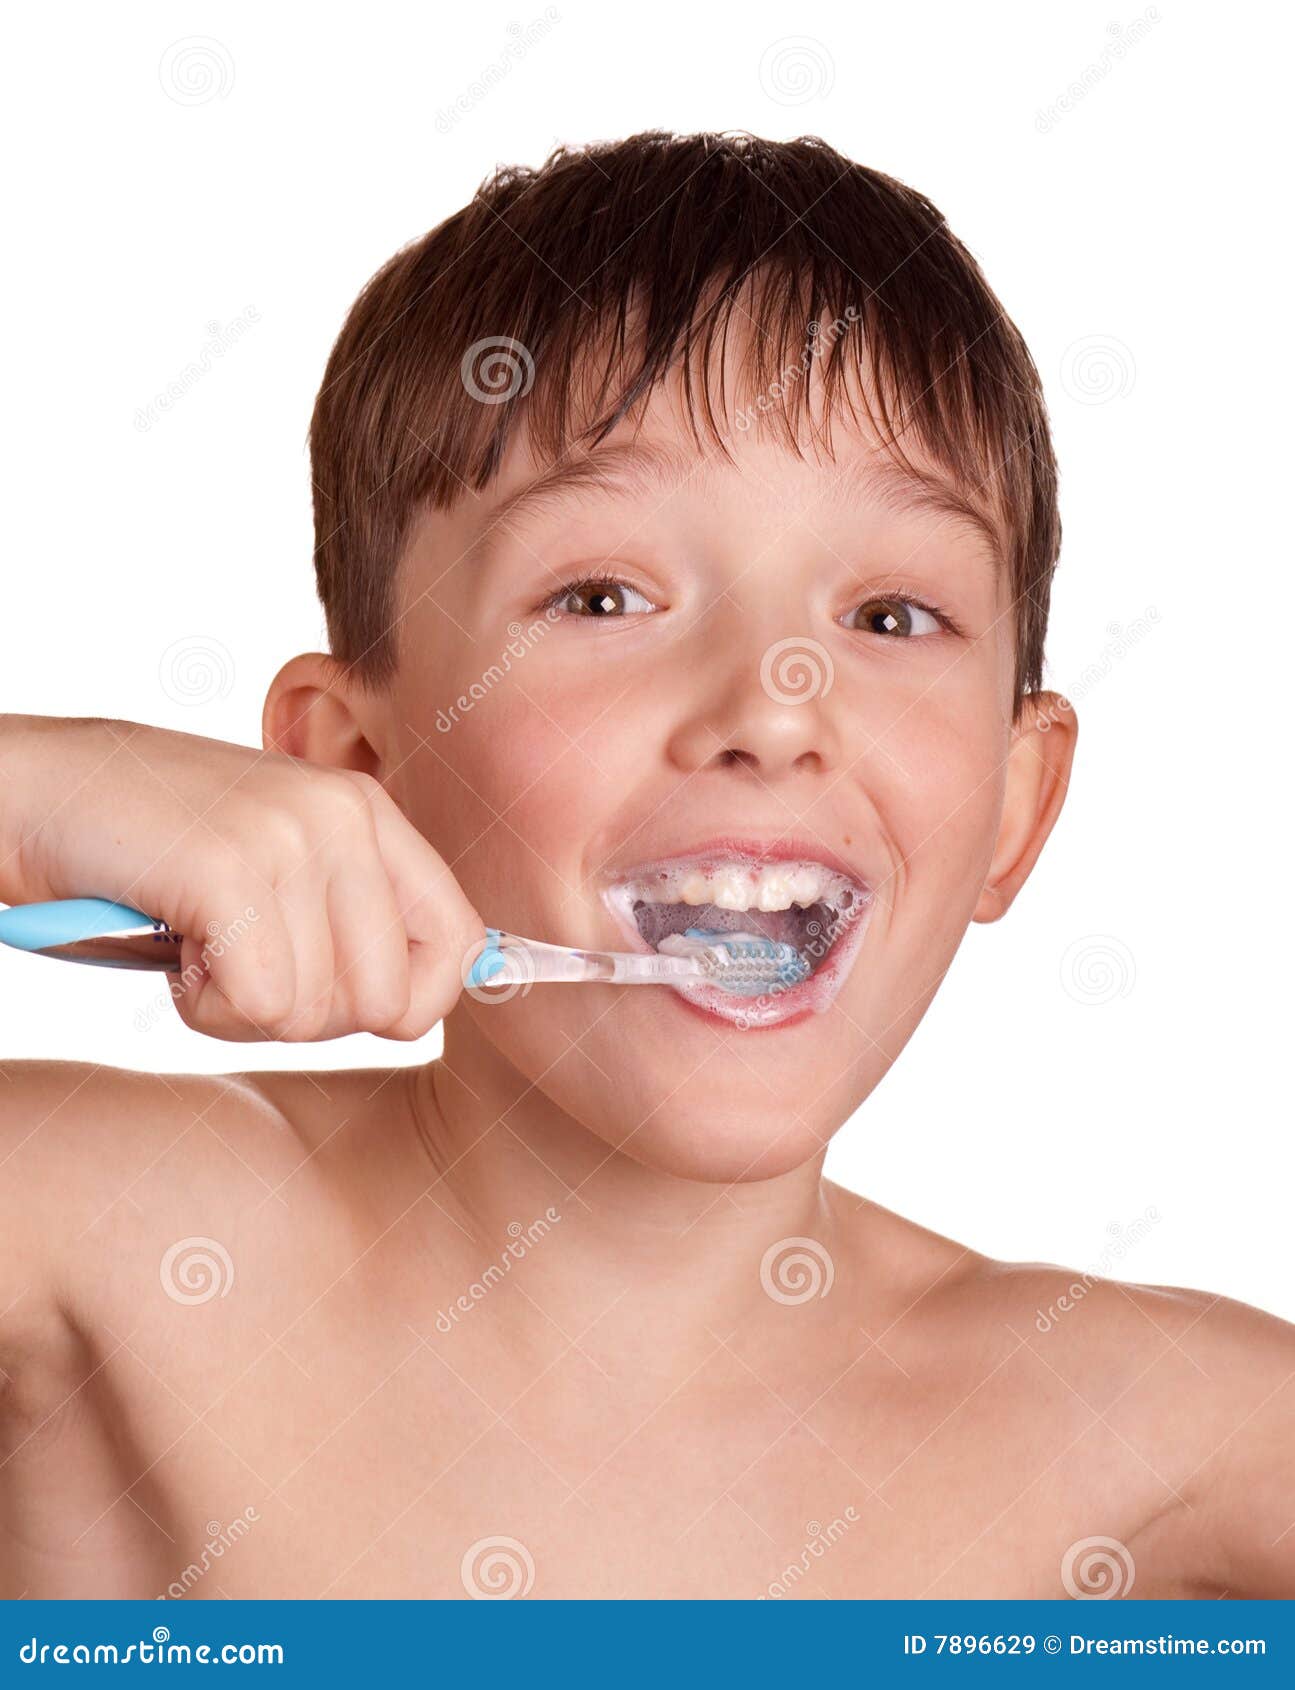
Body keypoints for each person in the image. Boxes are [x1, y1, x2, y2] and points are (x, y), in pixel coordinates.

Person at [2, 131, 1290, 1600]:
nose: (773, 705)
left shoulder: (1174, 1443)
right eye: (604, 593)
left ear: (1016, 806)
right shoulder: (105, 1247)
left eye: (889, 615)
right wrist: (33, 789)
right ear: (355, 768)